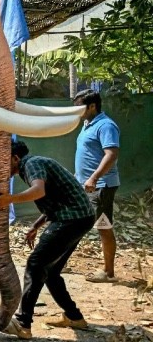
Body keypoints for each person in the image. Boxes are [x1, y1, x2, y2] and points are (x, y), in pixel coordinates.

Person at [0, 140, 94, 340]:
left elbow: (39, 191)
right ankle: (74, 317)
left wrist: (8, 199)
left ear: (15, 158)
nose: (1, 167)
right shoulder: (36, 164)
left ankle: (23, 323)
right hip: (80, 217)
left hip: (71, 219)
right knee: (51, 272)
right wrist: (36, 226)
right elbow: (56, 198)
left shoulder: (31, 164)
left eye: (4, 161)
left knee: (35, 265)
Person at [73, 89, 120, 283]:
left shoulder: (106, 125)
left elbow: (111, 154)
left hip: (100, 186)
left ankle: (108, 273)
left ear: (92, 106)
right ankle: (58, 260)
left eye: (80, 107)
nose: (76, 111)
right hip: (86, 184)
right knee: (76, 221)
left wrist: (93, 178)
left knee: (101, 226)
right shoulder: (87, 124)